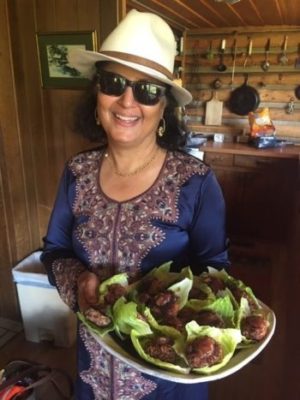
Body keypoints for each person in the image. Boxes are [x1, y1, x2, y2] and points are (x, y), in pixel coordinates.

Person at [41, 9, 229, 400]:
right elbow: (55, 250)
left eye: (147, 91)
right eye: (114, 83)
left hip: (170, 378)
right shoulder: (77, 171)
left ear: (164, 108)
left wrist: (163, 304)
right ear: (97, 93)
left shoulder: (195, 183)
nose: (127, 101)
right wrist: (78, 280)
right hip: (94, 370)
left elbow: (216, 276)